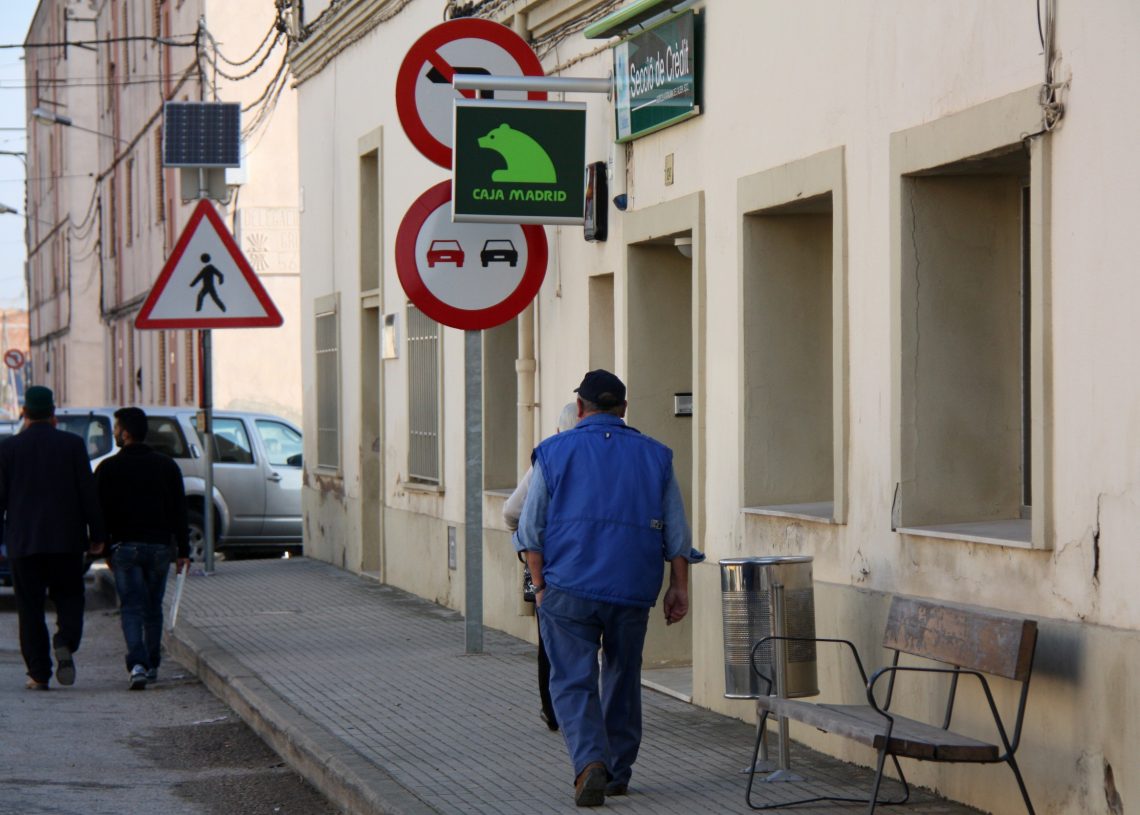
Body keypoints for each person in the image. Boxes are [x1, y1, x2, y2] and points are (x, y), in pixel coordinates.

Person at [516, 370, 691, 807]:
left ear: (580, 409)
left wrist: (539, 587)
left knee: (573, 681)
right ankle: (616, 773)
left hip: (568, 586)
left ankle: (590, 762)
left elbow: (530, 528)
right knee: (622, 675)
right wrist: (679, 589)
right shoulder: (657, 456)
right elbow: (678, 534)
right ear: (624, 410)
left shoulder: (555, 452)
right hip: (632, 587)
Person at [0, 386, 105, 690]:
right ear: (53, 413)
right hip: (67, 542)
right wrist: (97, 535)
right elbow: (88, 493)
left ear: (25, 414)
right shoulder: (72, 445)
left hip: (24, 543)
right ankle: (65, 641)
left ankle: (38, 673)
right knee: (70, 598)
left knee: (30, 608)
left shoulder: (9, 449)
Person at [95, 407, 190, 690]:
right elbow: (179, 511)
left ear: (125, 432)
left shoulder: (108, 469)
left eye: (115, 428)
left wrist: (104, 550)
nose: (113, 433)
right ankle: (152, 664)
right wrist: (183, 550)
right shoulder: (167, 466)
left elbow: (99, 512)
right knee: (152, 607)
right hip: (160, 548)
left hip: (125, 549)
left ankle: (137, 664)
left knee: (131, 607)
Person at [503, 402, 579, 732]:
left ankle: (553, 710)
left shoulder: (548, 459)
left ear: (560, 431)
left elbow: (511, 512)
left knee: (551, 641)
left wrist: (530, 542)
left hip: (552, 568)